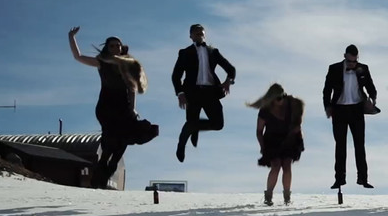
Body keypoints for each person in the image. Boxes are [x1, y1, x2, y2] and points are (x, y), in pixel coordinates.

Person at [68, 27, 158, 188]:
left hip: (125, 107)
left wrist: (133, 108)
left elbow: (132, 89)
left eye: (118, 45)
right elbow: (78, 56)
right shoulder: (101, 62)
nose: (116, 48)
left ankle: (106, 171)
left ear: (122, 48)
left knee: (121, 144)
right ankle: (99, 175)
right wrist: (71, 37)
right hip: (107, 107)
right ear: (107, 49)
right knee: (110, 142)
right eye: (112, 46)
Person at [171, 24, 236, 163]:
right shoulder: (184, 53)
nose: (199, 34)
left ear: (204, 35)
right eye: (195, 33)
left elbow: (231, 69)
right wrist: (180, 93)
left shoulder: (213, 51)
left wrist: (228, 81)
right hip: (192, 93)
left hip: (210, 93)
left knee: (218, 124)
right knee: (191, 122)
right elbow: (176, 76)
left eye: (201, 33)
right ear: (191, 36)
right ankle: (181, 144)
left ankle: (195, 128)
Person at [323, 44, 378, 189]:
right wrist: (327, 106)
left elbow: (371, 86)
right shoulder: (334, 69)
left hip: (357, 110)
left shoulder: (363, 68)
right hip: (339, 110)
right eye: (349, 61)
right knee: (340, 146)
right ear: (344, 57)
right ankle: (339, 178)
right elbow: (327, 90)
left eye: (354, 61)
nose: (352, 64)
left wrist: (373, 98)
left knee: (360, 145)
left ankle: (363, 178)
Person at [248, 84, 304, 206]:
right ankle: (268, 196)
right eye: (277, 98)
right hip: (272, 140)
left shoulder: (292, 105)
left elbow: (298, 122)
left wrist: (297, 133)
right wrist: (262, 147)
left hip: (289, 138)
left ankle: (287, 197)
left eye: (282, 97)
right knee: (276, 165)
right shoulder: (265, 110)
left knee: (287, 165)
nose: (280, 100)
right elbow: (259, 131)